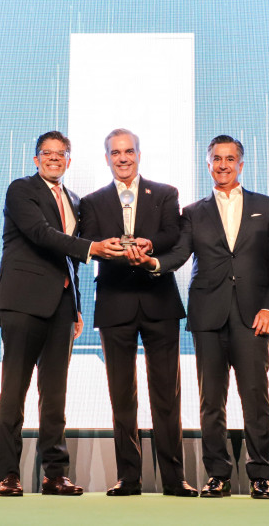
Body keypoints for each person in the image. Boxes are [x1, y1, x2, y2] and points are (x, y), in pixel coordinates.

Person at [126, 135, 269, 499]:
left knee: (256, 398)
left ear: (241, 164)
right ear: (208, 163)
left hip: (253, 316)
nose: (223, 165)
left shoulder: (265, 205)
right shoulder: (194, 211)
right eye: (217, 158)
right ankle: (218, 475)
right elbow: (180, 254)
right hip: (207, 315)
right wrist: (153, 263)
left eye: (230, 159)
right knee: (211, 401)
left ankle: (261, 475)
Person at [0, 131, 121, 497]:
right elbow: (41, 234)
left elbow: (68, 260)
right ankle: (9, 474)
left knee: (55, 396)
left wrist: (76, 306)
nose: (53, 158)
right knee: (14, 392)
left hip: (61, 308)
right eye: (46, 153)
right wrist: (93, 248)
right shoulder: (21, 190)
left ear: (69, 160)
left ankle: (54, 474)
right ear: (36, 159)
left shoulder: (75, 200)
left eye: (60, 153)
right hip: (22, 303)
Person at [79, 128, 197, 497]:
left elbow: (172, 234)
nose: (123, 158)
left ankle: (174, 479)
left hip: (159, 302)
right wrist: (112, 249)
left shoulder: (164, 193)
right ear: (107, 158)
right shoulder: (92, 201)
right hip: (115, 303)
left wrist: (148, 245)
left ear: (139, 155)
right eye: (115, 153)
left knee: (167, 396)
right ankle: (129, 478)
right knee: (121, 397)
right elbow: (89, 242)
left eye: (128, 151)